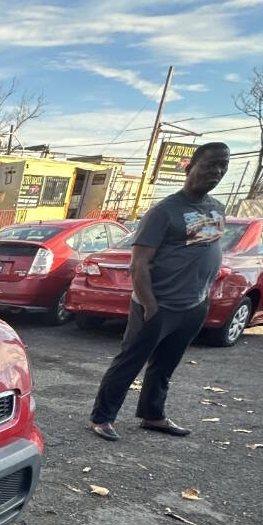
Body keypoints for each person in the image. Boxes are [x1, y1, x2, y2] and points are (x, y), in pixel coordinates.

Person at [89, 142, 231, 441]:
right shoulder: (165, 211)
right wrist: (151, 306)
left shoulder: (215, 208)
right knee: (130, 362)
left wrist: (204, 293)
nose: (216, 172)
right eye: (209, 165)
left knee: (166, 364)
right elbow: (139, 264)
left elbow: (202, 251)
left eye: (222, 166)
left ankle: (153, 415)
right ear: (189, 166)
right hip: (158, 305)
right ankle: (102, 418)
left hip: (194, 305)